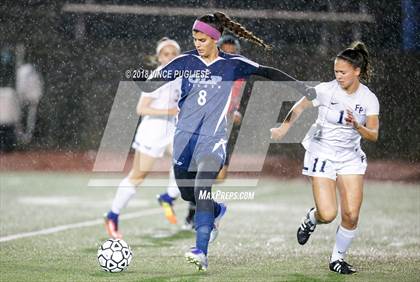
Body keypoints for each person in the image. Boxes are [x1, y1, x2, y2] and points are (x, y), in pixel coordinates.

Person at [138, 12, 315, 271]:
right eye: (194, 38)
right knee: (189, 194)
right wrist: (143, 77)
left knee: (202, 187)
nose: (197, 43)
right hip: (184, 139)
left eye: (201, 39)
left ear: (215, 38)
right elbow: (150, 85)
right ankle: (217, 210)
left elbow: (266, 72)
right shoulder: (185, 61)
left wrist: (302, 87)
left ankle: (201, 251)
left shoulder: (232, 63)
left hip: (213, 140)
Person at [270, 41, 379, 274]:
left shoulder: (369, 99)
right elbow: (298, 108)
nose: (338, 76)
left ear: (357, 71)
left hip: (350, 157)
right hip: (321, 152)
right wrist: (283, 129)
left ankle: (337, 259)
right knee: (328, 214)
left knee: (351, 214)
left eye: (343, 72)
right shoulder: (325, 90)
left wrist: (357, 127)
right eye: (335, 72)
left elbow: (373, 134)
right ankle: (312, 218)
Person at [104, 37, 182, 239]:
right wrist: (171, 111)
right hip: (153, 131)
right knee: (138, 176)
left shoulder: (181, 76)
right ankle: (112, 215)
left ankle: (168, 196)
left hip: (172, 129)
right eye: (166, 54)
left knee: (185, 162)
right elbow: (141, 108)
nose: (171, 57)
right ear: (159, 58)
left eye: (174, 53)